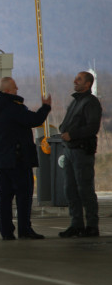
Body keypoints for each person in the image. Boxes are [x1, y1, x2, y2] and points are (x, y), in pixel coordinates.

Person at [0, 77, 51, 240]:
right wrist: (46, 107)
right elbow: (34, 120)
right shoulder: (12, 107)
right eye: (14, 88)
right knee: (23, 195)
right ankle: (24, 229)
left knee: (4, 197)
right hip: (16, 159)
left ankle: (6, 231)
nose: (17, 89)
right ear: (7, 91)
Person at [58, 71, 102, 238]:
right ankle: (76, 224)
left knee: (85, 189)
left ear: (88, 84)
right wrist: (63, 130)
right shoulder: (76, 101)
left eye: (79, 79)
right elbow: (66, 124)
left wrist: (73, 134)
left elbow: (92, 127)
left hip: (82, 151)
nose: (74, 81)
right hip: (69, 150)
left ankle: (92, 225)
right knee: (70, 189)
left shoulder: (91, 102)